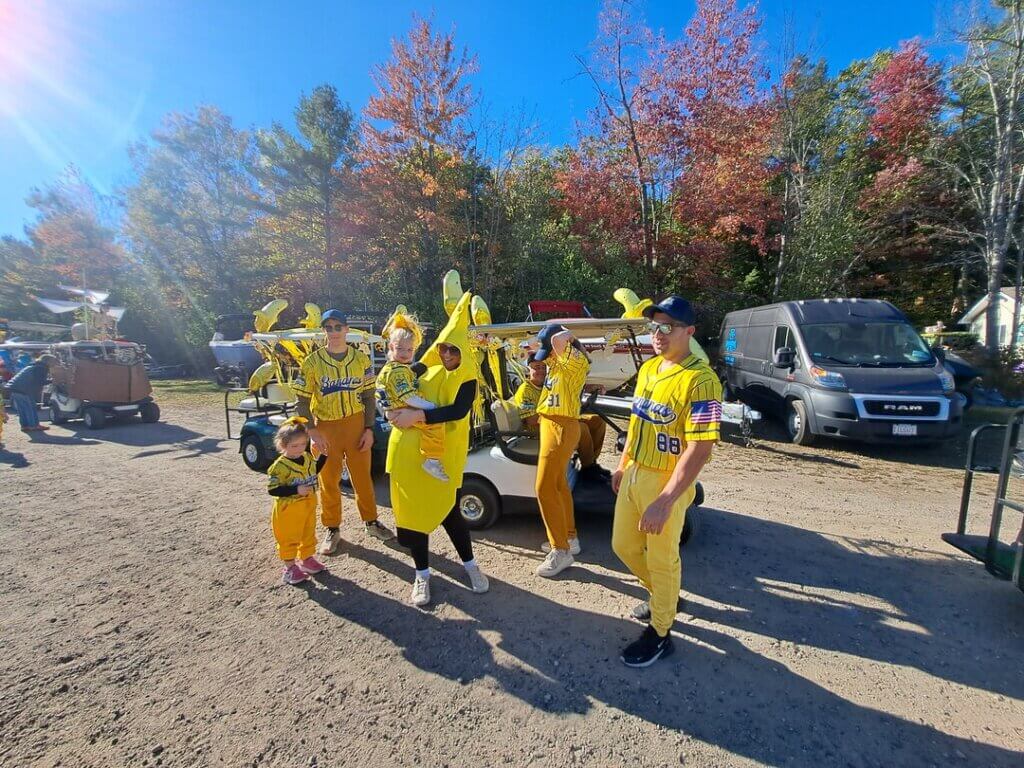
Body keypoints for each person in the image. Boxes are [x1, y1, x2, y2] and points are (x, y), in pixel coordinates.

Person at [611, 296, 721, 668]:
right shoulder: (648, 370)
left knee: (662, 559)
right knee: (623, 546)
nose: (658, 334)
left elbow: (700, 448)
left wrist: (667, 500)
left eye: (668, 327)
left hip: (666, 481)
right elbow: (636, 424)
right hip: (635, 472)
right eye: (654, 327)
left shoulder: (702, 380)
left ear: (689, 332)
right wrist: (622, 464)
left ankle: (661, 632)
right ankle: (664, 597)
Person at [387, 293, 489, 607]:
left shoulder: (467, 378)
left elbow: (458, 411)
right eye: (442, 347)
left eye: (453, 348)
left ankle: (470, 566)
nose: (446, 353)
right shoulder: (423, 368)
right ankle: (422, 575)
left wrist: (417, 415)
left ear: (463, 351)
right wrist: (387, 408)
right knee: (414, 517)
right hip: (407, 454)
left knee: (450, 513)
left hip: (443, 458)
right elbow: (395, 379)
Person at [293, 310, 394, 555]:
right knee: (328, 481)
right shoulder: (312, 362)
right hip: (325, 427)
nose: (334, 332)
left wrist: (369, 429)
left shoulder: (360, 359)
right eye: (329, 327)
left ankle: (371, 522)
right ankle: (332, 528)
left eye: (338, 327)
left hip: (355, 423)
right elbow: (301, 401)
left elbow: (369, 397)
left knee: (362, 477)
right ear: (324, 331)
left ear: (347, 329)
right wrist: (312, 431)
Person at [533, 324, 590, 576]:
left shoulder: (575, 359)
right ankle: (569, 538)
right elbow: (544, 348)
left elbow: (557, 339)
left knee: (544, 487)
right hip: (550, 423)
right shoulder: (558, 362)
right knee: (558, 485)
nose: (548, 354)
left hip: (561, 425)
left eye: (551, 349)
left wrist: (567, 335)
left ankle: (561, 550)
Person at [377, 314, 449, 482]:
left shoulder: (392, 367)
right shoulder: (398, 371)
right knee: (435, 425)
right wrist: (431, 407)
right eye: (400, 349)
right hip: (401, 409)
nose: (405, 353)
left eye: (409, 350)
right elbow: (409, 398)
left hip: (393, 409)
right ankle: (432, 459)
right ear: (391, 347)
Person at [266, 417, 328, 585]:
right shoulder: (280, 466)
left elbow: (314, 470)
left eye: (302, 444)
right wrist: (295, 490)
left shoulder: (306, 457)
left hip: (308, 504)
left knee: (308, 533)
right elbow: (272, 489)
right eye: (294, 446)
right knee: (289, 537)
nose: (299, 449)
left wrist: (324, 456)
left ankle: (307, 559)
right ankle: (289, 567)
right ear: (283, 445)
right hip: (289, 509)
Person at [5, 354, 56, 433]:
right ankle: (33, 425)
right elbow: (40, 381)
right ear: (48, 361)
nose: (54, 363)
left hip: (15, 387)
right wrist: (53, 380)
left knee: (22, 408)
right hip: (23, 389)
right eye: (53, 361)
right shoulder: (41, 368)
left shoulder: (34, 365)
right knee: (30, 407)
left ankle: (25, 426)